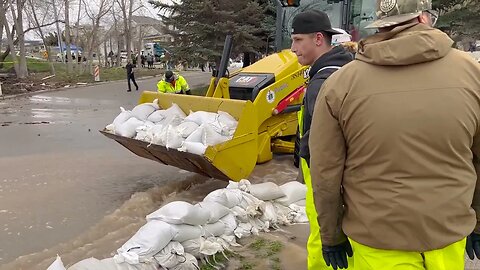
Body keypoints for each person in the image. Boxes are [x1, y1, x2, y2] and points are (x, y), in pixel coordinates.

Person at [308, 0, 480, 269]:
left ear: (382, 24)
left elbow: (325, 173)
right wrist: (478, 222)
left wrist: (331, 236)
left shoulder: (340, 84)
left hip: (377, 241)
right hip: (448, 234)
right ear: (424, 18)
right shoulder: (472, 73)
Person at [290, 10, 354, 270]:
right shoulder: (342, 70)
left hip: (326, 190)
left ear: (318, 39)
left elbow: (327, 151)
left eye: (297, 40)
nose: (293, 49)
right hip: (333, 187)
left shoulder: (323, 82)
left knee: (323, 247)